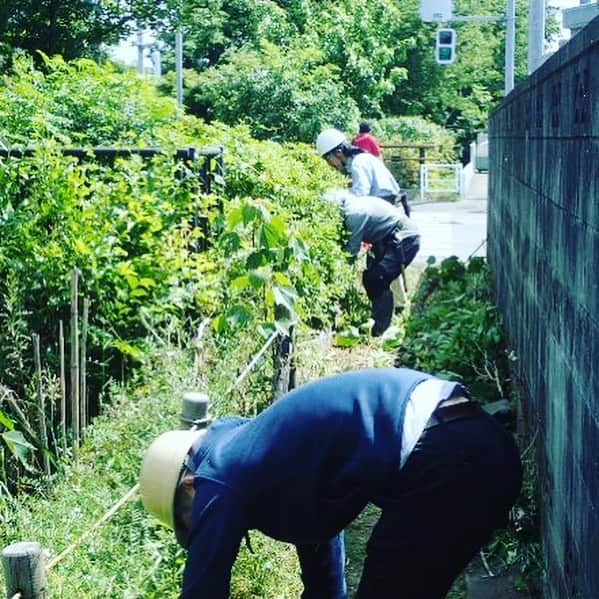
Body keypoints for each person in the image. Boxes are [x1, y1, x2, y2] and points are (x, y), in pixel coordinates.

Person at [140, 367, 523, 599]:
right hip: (479, 447)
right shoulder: (262, 452)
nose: (200, 528)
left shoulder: (219, 475)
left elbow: (203, 589)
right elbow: (319, 538)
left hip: (445, 457)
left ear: (189, 484)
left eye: (188, 521)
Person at [324, 189, 419, 336]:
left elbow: (351, 252)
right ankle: (379, 320)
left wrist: (338, 281)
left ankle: (380, 329)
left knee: (377, 279)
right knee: (371, 277)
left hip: (404, 239)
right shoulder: (354, 204)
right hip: (389, 238)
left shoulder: (353, 214)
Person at [316, 127, 411, 217]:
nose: (329, 164)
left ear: (338, 152)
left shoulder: (358, 163)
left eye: (328, 159)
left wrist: (334, 197)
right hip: (386, 207)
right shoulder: (357, 160)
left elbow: (359, 197)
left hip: (388, 209)